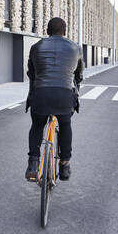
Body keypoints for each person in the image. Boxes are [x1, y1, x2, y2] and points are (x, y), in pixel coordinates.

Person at [25, 17, 83, 182]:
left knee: (37, 125)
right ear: (64, 32)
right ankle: (64, 164)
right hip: (64, 95)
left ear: (47, 31)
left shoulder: (36, 47)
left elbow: (31, 74)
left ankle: (33, 163)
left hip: (41, 94)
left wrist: (31, 96)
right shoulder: (76, 48)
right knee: (65, 124)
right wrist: (76, 95)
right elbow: (78, 76)